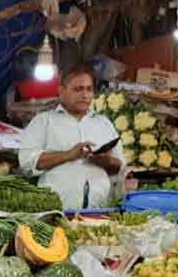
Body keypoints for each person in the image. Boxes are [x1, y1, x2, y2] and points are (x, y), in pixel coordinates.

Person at [18, 66, 124, 210]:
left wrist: (107, 161)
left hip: (99, 209)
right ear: (61, 91)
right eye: (78, 89)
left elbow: (119, 166)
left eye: (89, 89)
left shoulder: (104, 123)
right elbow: (26, 161)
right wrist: (69, 154)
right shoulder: (43, 121)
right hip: (55, 209)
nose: (85, 95)